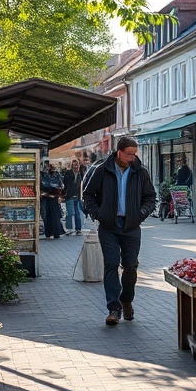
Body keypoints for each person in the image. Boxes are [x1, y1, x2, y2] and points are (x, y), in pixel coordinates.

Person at [82, 137, 157, 327]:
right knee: (111, 264)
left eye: (134, 154)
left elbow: (150, 197)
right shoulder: (102, 170)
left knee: (130, 265)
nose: (132, 158)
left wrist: (140, 214)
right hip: (109, 226)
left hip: (131, 225)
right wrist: (99, 214)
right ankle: (113, 309)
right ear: (119, 152)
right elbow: (88, 195)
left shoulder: (140, 172)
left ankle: (127, 299)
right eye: (129, 154)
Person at [40, 162, 66, 239]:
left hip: (53, 199)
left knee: (54, 216)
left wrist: (55, 194)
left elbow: (60, 186)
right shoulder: (44, 175)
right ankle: (50, 232)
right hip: (47, 199)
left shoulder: (56, 175)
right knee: (48, 216)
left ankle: (55, 233)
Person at [63, 159, 86, 235]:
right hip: (69, 195)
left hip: (77, 195)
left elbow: (82, 185)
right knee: (70, 213)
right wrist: (64, 194)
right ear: (71, 165)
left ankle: (78, 228)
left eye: (76, 164)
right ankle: (69, 228)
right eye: (74, 165)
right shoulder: (68, 173)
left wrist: (82, 196)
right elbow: (65, 184)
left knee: (77, 212)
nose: (75, 166)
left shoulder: (80, 173)